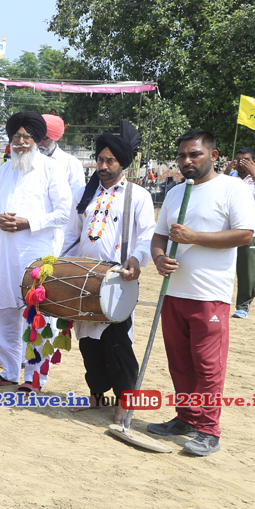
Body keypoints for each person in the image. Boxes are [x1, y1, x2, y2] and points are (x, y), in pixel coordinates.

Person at [148, 130, 255, 456]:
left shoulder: (232, 188)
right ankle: (186, 417)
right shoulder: (175, 193)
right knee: (180, 363)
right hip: (173, 293)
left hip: (210, 295)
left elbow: (244, 235)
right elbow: (159, 236)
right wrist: (159, 258)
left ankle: (209, 430)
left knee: (208, 367)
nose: (187, 161)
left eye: (194, 154)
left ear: (214, 155)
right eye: (182, 155)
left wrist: (194, 237)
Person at [61, 122, 154, 423]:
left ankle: (124, 402)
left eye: (110, 160)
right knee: (89, 343)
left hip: (117, 280)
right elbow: (71, 235)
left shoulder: (138, 195)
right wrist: (62, 268)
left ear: (122, 163)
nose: (102, 166)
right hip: (83, 278)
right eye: (100, 159)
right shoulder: (84, 193)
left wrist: (136, 259)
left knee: (117, 344)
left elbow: (147, 235)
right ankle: (97, 396)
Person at [0, 110, 72, 390]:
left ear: (37, 140)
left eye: (26, 137)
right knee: (5, 313)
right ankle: (9, 372)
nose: (20, 142)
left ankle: (35, 378)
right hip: (4, 254)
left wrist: (28, 222)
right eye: (16, 137)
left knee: (37, 316)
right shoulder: (3, 171)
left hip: (36, 256)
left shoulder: (51, 169)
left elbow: (64, 212)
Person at [228, 148, 255, 318]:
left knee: (247, 271)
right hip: (227, 231)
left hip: (249, 231)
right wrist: (226, 171)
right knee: (222, 267)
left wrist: (253, 173)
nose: (241, 163)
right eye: (238, 160)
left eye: (245, 160)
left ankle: (243, 306)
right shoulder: (231, 176)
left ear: (254, 161)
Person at [39, 114, 88, 203]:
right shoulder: (27, 161)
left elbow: (76, 198)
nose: (39, 143)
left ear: (55, 138)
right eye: (37, 138)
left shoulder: (72, 164)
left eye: (44, 139)